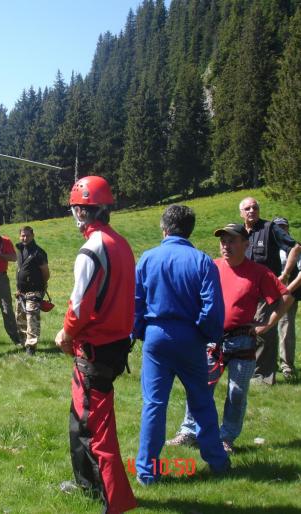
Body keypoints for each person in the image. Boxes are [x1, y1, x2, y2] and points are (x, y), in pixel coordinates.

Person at [167, 223, 293, 453]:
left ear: (246, 244)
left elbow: (285, 299)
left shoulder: (259, 272)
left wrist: (265, 324)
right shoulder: (212, 267)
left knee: (236, 392)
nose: (226, 245)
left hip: (242, 341)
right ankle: (188, 432)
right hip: (212, 340)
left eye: (232, 241)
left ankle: (226, 438)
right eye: (223, 241)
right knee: (200, 387)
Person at [55, 176, 137, 514]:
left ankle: (116, 502)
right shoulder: (120, 243)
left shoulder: (92, 249)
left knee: (95, 427)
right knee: (79, 418)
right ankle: (84, 482)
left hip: (95, 349)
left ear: (80, 210)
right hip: (114, 346)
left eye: (75, 209)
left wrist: (65, 333)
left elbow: (80, 306)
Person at [133, 205, 230, 485]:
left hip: (156, 336)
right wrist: (205, 333)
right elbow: (213, 308)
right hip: (190, 337)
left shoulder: (148, 258)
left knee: (154, 404)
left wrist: (138, 332)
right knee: (201, 400)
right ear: (190, 230)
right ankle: (217, 461)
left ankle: (147, 472)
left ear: (164, 229)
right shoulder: (202, 261)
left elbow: (136, 303)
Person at [240, 197, 301, 385]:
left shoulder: (269, 228)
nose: (252, 210)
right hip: (246, 290)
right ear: (241, 212)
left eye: (255, 207)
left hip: (267, 290)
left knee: (264, 330)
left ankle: (264, 378)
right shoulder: (240, 233)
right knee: (249, 329)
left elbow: (295, 247)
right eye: (248, 208)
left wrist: (285, 274)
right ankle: (252, 371)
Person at [15, 226, 49, 356]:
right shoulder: (20, 250)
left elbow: (46, 273)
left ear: (33, 235)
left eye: (27, 235)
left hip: (34, 291)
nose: (25, 238)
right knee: (20, 318)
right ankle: (24, 343)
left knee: (31, 319)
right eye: (22, 236)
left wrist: (42, 286)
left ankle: (31, 347)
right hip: (21, 292)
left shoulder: (39, 253)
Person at [273, 217, 300, 381]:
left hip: (289, 293)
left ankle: (287, 367)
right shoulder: (270, 247)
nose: (281, 230)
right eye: (278, 228)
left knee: (286, 330)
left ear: (288, 229)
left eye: (284, 227)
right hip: (267, 294)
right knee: (265, 330)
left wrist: (287, 290)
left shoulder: (295, 248)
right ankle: (267, 363)